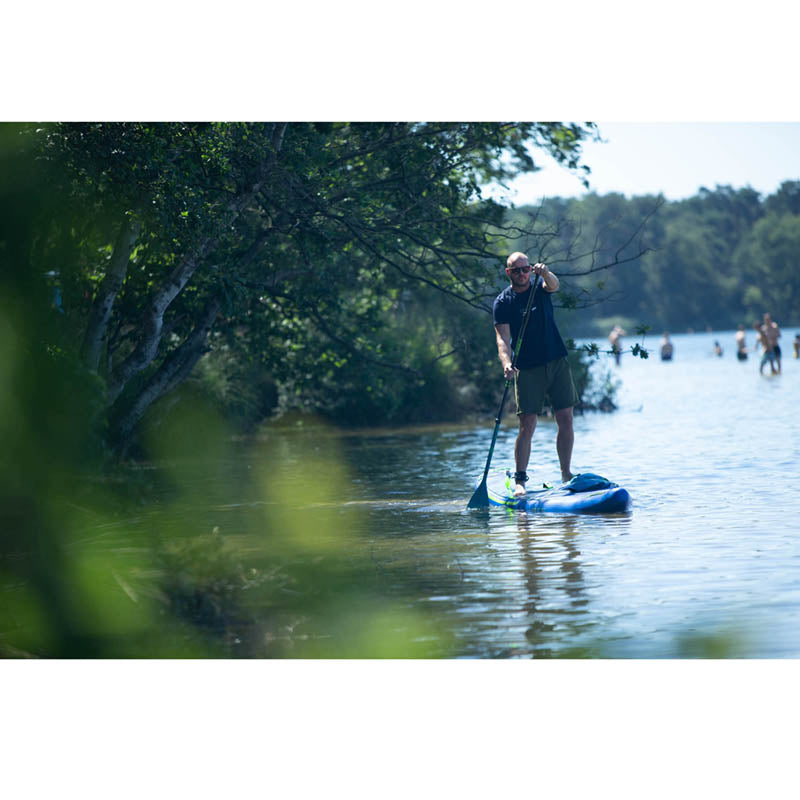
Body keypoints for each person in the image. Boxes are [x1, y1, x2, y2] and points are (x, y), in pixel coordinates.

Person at [493, 252, 578, 497]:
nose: (522, 273)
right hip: (527, 368)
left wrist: (545, 272)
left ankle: (566, 473)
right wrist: (507, 363)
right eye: (516, 270)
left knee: (566, 418)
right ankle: (520, 480)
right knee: (527, 424)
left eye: (525, 269)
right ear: (508, 273)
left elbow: (554, 285)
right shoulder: (504, 302)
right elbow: (502, 339)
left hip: (557, 360)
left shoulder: (540, 287)